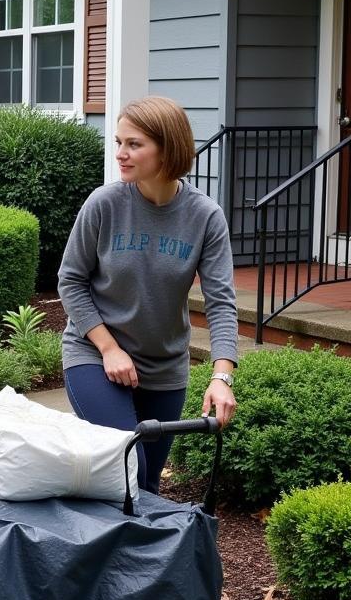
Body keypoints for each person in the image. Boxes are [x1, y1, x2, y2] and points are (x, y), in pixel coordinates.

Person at [57, 95, 238, 494]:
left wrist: (222, 376)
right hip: (93, 355)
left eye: (134, 144)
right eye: (118, 142)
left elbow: (221, 303)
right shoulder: (104, 204)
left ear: (167, 148)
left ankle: (134, 558)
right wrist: (108, 348)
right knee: (127, 470)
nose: (120, 154)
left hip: (163, 368)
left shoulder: (205, 217)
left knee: (148, 487)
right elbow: (70, 281)